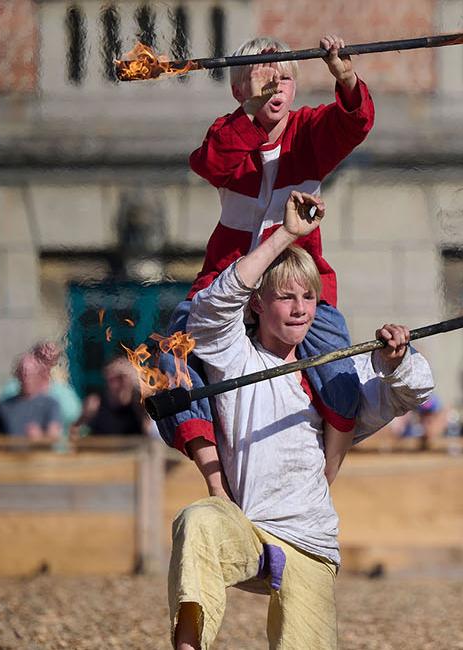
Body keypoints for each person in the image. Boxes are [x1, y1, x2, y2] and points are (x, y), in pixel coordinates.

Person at [169, 191, 432, 650]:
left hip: (308, 540)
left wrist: (397, 359)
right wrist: (287, 235)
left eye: (308, 297)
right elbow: (210, 310)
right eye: (285, 296)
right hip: (245, 528)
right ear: (257, 305)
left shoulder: (334, 385)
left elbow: (412, 391)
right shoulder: (235, 359)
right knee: (198, 521)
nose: (299, 308)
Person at [158, 33, 376, 488]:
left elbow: (353, 123)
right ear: (239, 90)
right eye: (261, 80)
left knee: (340, 372)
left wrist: (348, 78)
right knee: (172, 356)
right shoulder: (230, 133)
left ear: (296, 88)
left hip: (296, 287)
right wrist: (251, 116)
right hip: (228, 281)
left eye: (284, 78)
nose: (275, 88)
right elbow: (210, 163)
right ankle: (216, 484)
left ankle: (323, 481)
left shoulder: (311, 132)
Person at [0, 341, 84, 432]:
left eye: (50, 358)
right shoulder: (11, 389)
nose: (44, 361)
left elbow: (76, 427)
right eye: (40, 356)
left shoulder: (63, 395)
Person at [0, 354, 63, 440]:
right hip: (9, 453)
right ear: (18, 376)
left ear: (38, 375)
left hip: (40, 453)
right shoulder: (4, 406)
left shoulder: (50, 404)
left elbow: (54, 436)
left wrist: (40, 437)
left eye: (30, 374)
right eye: (23, 374)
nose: (26, 378)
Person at [82, 357, 152, 436]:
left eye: (126, 377)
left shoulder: (141, 404)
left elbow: (151, 434)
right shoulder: (95, 405)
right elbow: (76, 434)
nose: (123, 383)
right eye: (117, 378)